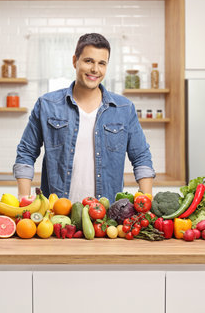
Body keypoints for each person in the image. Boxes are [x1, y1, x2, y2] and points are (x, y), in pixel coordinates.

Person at [13, 33, 155, 203]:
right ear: (75, 61)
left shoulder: (124, 109)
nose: (95, 69)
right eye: (89, 61)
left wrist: (146, 202)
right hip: (56, 214)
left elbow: (141, 157)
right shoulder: (47, 105)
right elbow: (26, 152)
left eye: (102, 63)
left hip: (106, 217)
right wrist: (23, 198)